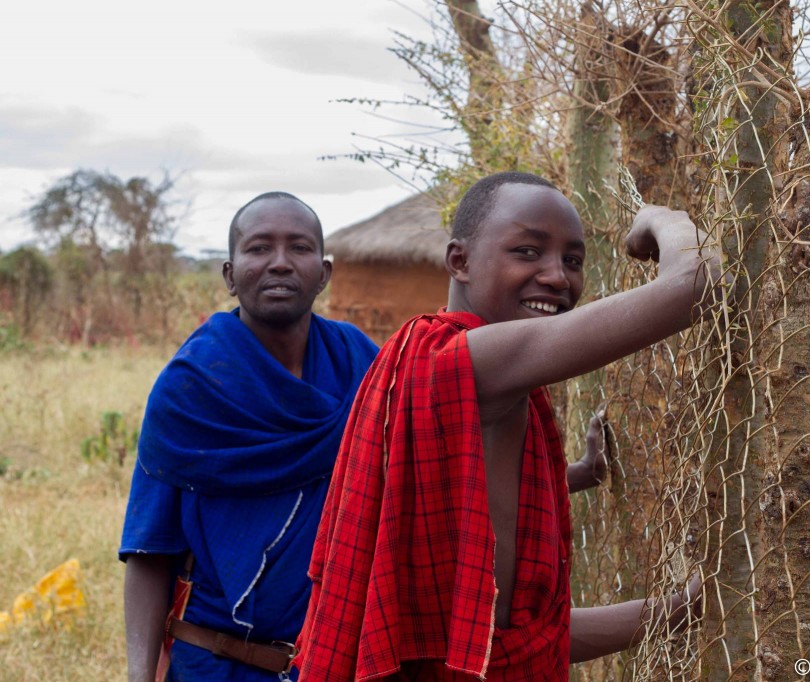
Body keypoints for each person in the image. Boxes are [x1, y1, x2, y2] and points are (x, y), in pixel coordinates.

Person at [297, 172, 718, 681]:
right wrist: (660, 218)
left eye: (573, 260)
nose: (558, 277)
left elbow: (520, 638)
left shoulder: (465, 377)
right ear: (460, 261)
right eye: (527, 251)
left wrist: (685, 606)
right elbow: (697, 284)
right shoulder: (466, 360)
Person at [120, 192, 379, 681]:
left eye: (298, 248)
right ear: (229, 275)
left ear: (323, 274)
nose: (279, 263)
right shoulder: (189, 389)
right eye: (259, 248)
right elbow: (149, 548)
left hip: (337, 664)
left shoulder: (361, 366)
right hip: (216, 664)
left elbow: (425, 473)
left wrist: (570, 476)